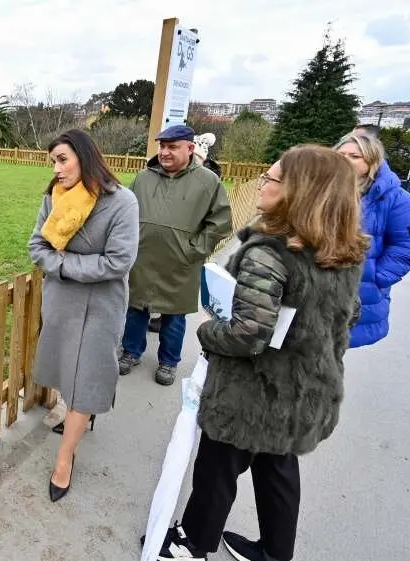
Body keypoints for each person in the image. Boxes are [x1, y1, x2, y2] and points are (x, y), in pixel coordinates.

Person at [154, 145, 368, 561]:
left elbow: (247, 334)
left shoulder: (269, 254)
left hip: (252, 394)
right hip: (306, 388)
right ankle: (274, 551)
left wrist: (207, 331)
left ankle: (192, 543)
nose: (263, 185)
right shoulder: (341, 252)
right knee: (278, 469)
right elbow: (349, 314)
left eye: (272, 179)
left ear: (298, 193)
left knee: (217, 468)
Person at [28, 129, 139, 502]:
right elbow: (36, 246)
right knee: (65, 372)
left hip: (100, 306)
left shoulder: (122, 202)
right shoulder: (54, 198)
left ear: (85, 156)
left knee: (86, 379)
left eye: (62, 159)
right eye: (53, 162)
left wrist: (64, 263)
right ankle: (81, 417)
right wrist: (62, 265)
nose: (56, 169)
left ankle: (64, 459)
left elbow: (119, 261)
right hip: (61, 302)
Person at [121, 124, 233, 386]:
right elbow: (125, 211)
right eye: (162, 146)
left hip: (181, 264)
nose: (165, 152)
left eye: (172, 147)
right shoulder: (143, 178)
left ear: (190, 148)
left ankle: (169, 362)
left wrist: (193, 250)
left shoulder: (208, 181)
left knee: (174, 316)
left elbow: (220, 223)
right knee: (136, 309)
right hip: (143, 260)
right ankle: (131, 352)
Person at [336, 132, 410, 347]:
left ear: (372, 161)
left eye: (355, 156)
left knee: (332, 352)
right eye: (341, 154)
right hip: (316, 286)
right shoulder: (321, 190)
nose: (345, 160)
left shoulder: (395, 198)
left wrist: (377, 277)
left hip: (358, 292)